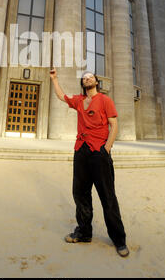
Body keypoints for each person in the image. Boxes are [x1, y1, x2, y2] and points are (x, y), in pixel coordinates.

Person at [49, 67, 129, 258]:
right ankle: (84, 233)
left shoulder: (105, 100)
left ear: (96, 82)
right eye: (84, 78)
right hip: (81, 150)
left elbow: (114, 124)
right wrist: (54, 79)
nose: (87, 79)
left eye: (90, 77)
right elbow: (61, 96)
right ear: (82, 83)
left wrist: (106, 148)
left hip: (99, 152)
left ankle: (119, 240)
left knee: (107, 196)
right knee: (80, 193)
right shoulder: (78, 101)